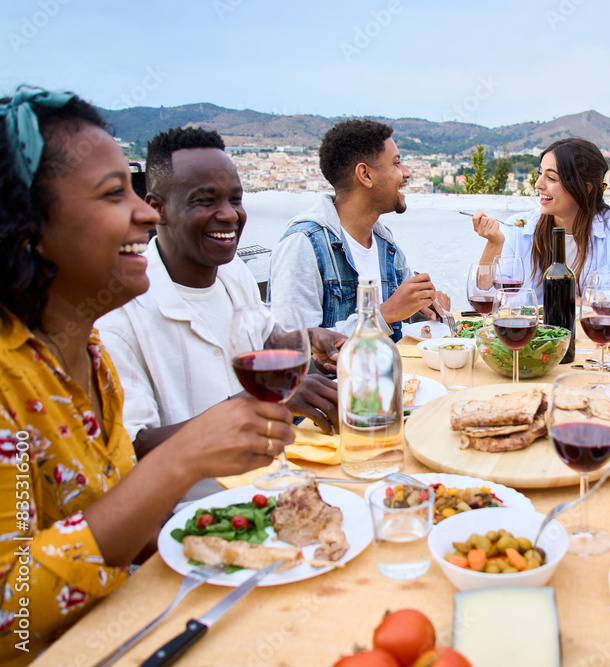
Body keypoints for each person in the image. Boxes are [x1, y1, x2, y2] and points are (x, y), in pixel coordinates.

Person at [0, 88, 293, 665]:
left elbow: (118, 529)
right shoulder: (9, 384)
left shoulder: (85, 354)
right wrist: (181, 459)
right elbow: (14, 610)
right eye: (116, 194)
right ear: (26, 225)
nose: (146, 212)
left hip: (140, 625)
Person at [97, 128, 343, 496]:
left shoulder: (232, 272)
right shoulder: (118, 315)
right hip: (191, 513)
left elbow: (264, 340)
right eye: (205, 201)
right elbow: (134, 447)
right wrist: (263, 401)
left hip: (270, 483)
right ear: (156, 208)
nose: (229, 215)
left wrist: (309, 342)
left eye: (235, 199)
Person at [269, 118, 450, 342]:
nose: (406, 172)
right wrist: (383, 314)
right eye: (396, 163)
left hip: (392, 374)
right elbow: (292, 350)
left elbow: (399, 320)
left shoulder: (386, 246)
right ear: (365, 175)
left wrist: (422, 306)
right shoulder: (303, 245)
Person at [471, 137, 610, 299]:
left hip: (590, 330)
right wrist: (494, 244)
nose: (538, 184)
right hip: (532, 330)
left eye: (551, 178)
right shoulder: (519, 228)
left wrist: (570, 303)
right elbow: (488, 299)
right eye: (540, 173)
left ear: (585, 187)